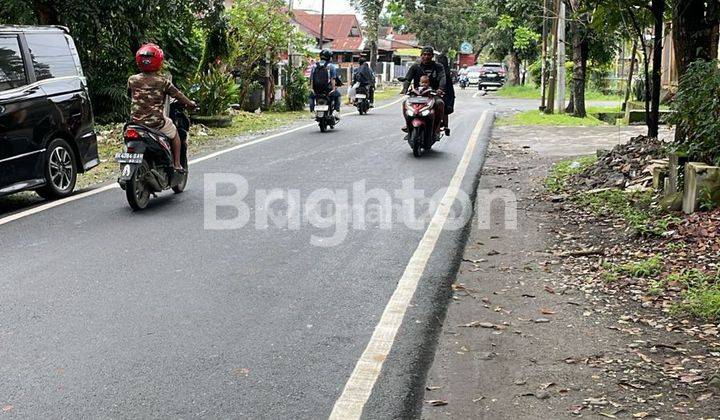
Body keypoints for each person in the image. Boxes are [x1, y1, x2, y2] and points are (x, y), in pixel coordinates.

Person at [127, 43, 196, 172]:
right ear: (159, 61)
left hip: (135, 122)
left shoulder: (132, 80)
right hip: (156, 123)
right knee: (175, 134)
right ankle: (176, 164)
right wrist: (190, 104)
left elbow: (129, 94)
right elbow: (178, 95)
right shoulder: (162, 81)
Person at [401, 46, 446, 136]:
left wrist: (440, 89)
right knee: (405, 103)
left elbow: (442, 78)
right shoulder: (415, 67)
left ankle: (437, 128)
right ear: (421, 55)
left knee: (440, 103)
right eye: (424, 54)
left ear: (432, 56)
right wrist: (405, 89)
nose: (426, 57)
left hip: (432, 94)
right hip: (417, 95)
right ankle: (408, 124)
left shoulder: (438, 67)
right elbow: (407, 79)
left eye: (428, 54)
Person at [309, 49, 341, 119]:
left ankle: (312, 111)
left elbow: (311, 79)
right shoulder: (331, 66)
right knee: (338, 95)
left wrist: (312, 89)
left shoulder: (314, 66)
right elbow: (332, 79)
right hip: (327, 90)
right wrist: (333, 89)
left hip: (317, 90)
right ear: (329, 57)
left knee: (311, 96)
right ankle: (336, 111)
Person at [437, 54, 455, 136]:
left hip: (442, 91)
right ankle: (446, 126)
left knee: (443, 107)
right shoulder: (447, 70)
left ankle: (445, 126)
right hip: (445, 92)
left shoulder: (439, 69)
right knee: (445, 110)